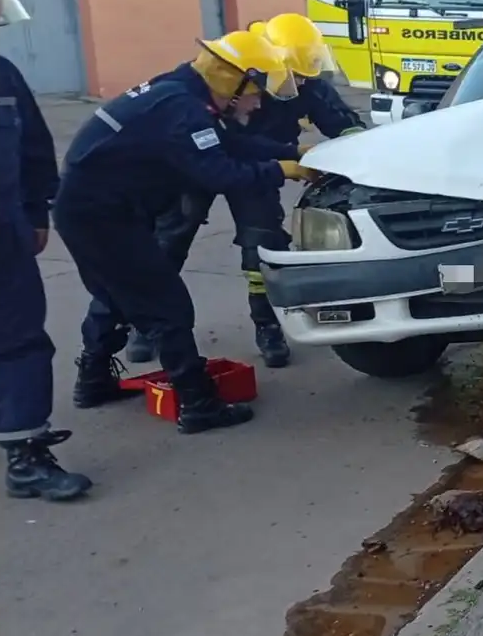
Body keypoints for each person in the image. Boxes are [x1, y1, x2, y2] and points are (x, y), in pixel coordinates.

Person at [55, 29, 317, 434]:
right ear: (234, 79)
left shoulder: (181, 90)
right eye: (256, 90)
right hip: (101, 214)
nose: (259, 100)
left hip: (97, 208)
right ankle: (198, 404)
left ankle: (92, 382)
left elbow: (229, 143)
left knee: (117, 295)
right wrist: (280, 170)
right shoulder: (184, 108)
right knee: (167, 304)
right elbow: (216, 171)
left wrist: (290, 152)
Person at [124, 13, 366, 369]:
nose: (297, 82)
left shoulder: (307, 82)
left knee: (263, 244)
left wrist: (362, 152)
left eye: (303, 75)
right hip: (202, 163)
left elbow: (343, 125)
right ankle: (147, 325)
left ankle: (267, 325)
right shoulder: (229, 73)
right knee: (168, 241)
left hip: (260, 168)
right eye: (294, 74)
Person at [0, 0, 92, 500]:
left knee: (18, 344)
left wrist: (35, 215)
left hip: (2, 240)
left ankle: (25, 457)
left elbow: (32, 151)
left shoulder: (1, 77)